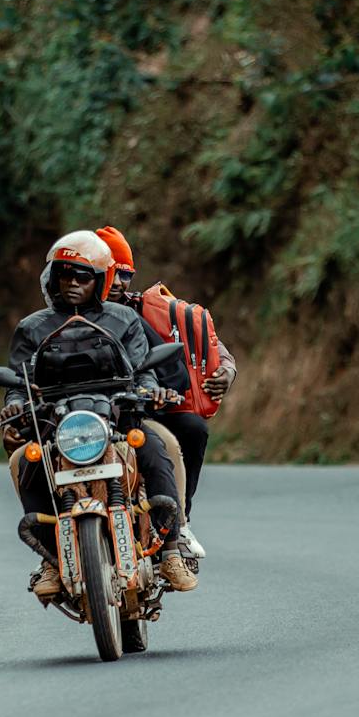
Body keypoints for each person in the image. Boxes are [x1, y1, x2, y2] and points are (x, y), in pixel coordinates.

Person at [0, 230, 196, 598]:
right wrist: (13, 404)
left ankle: (171, 550)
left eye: (83, 275)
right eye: (65, 273)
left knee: (161, 445)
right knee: (22, 462)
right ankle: (52, 561)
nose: (73, 282)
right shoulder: (32, 327)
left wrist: (152, 391)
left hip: (119, 419)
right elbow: (18, 380)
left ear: (100, 280)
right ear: (52, 277)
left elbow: (144, 368)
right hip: (58, 425)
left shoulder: (123, 319)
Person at [94, 225, 236, 557]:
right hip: (81, 415)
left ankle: (178, 523)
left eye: (125, 274)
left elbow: (205, 342)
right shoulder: (58, 317)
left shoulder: (145, 311)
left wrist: (227, 369)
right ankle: (51, 549)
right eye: (111, 272)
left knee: (191, 429)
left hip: (140, 411)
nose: (118, 282)